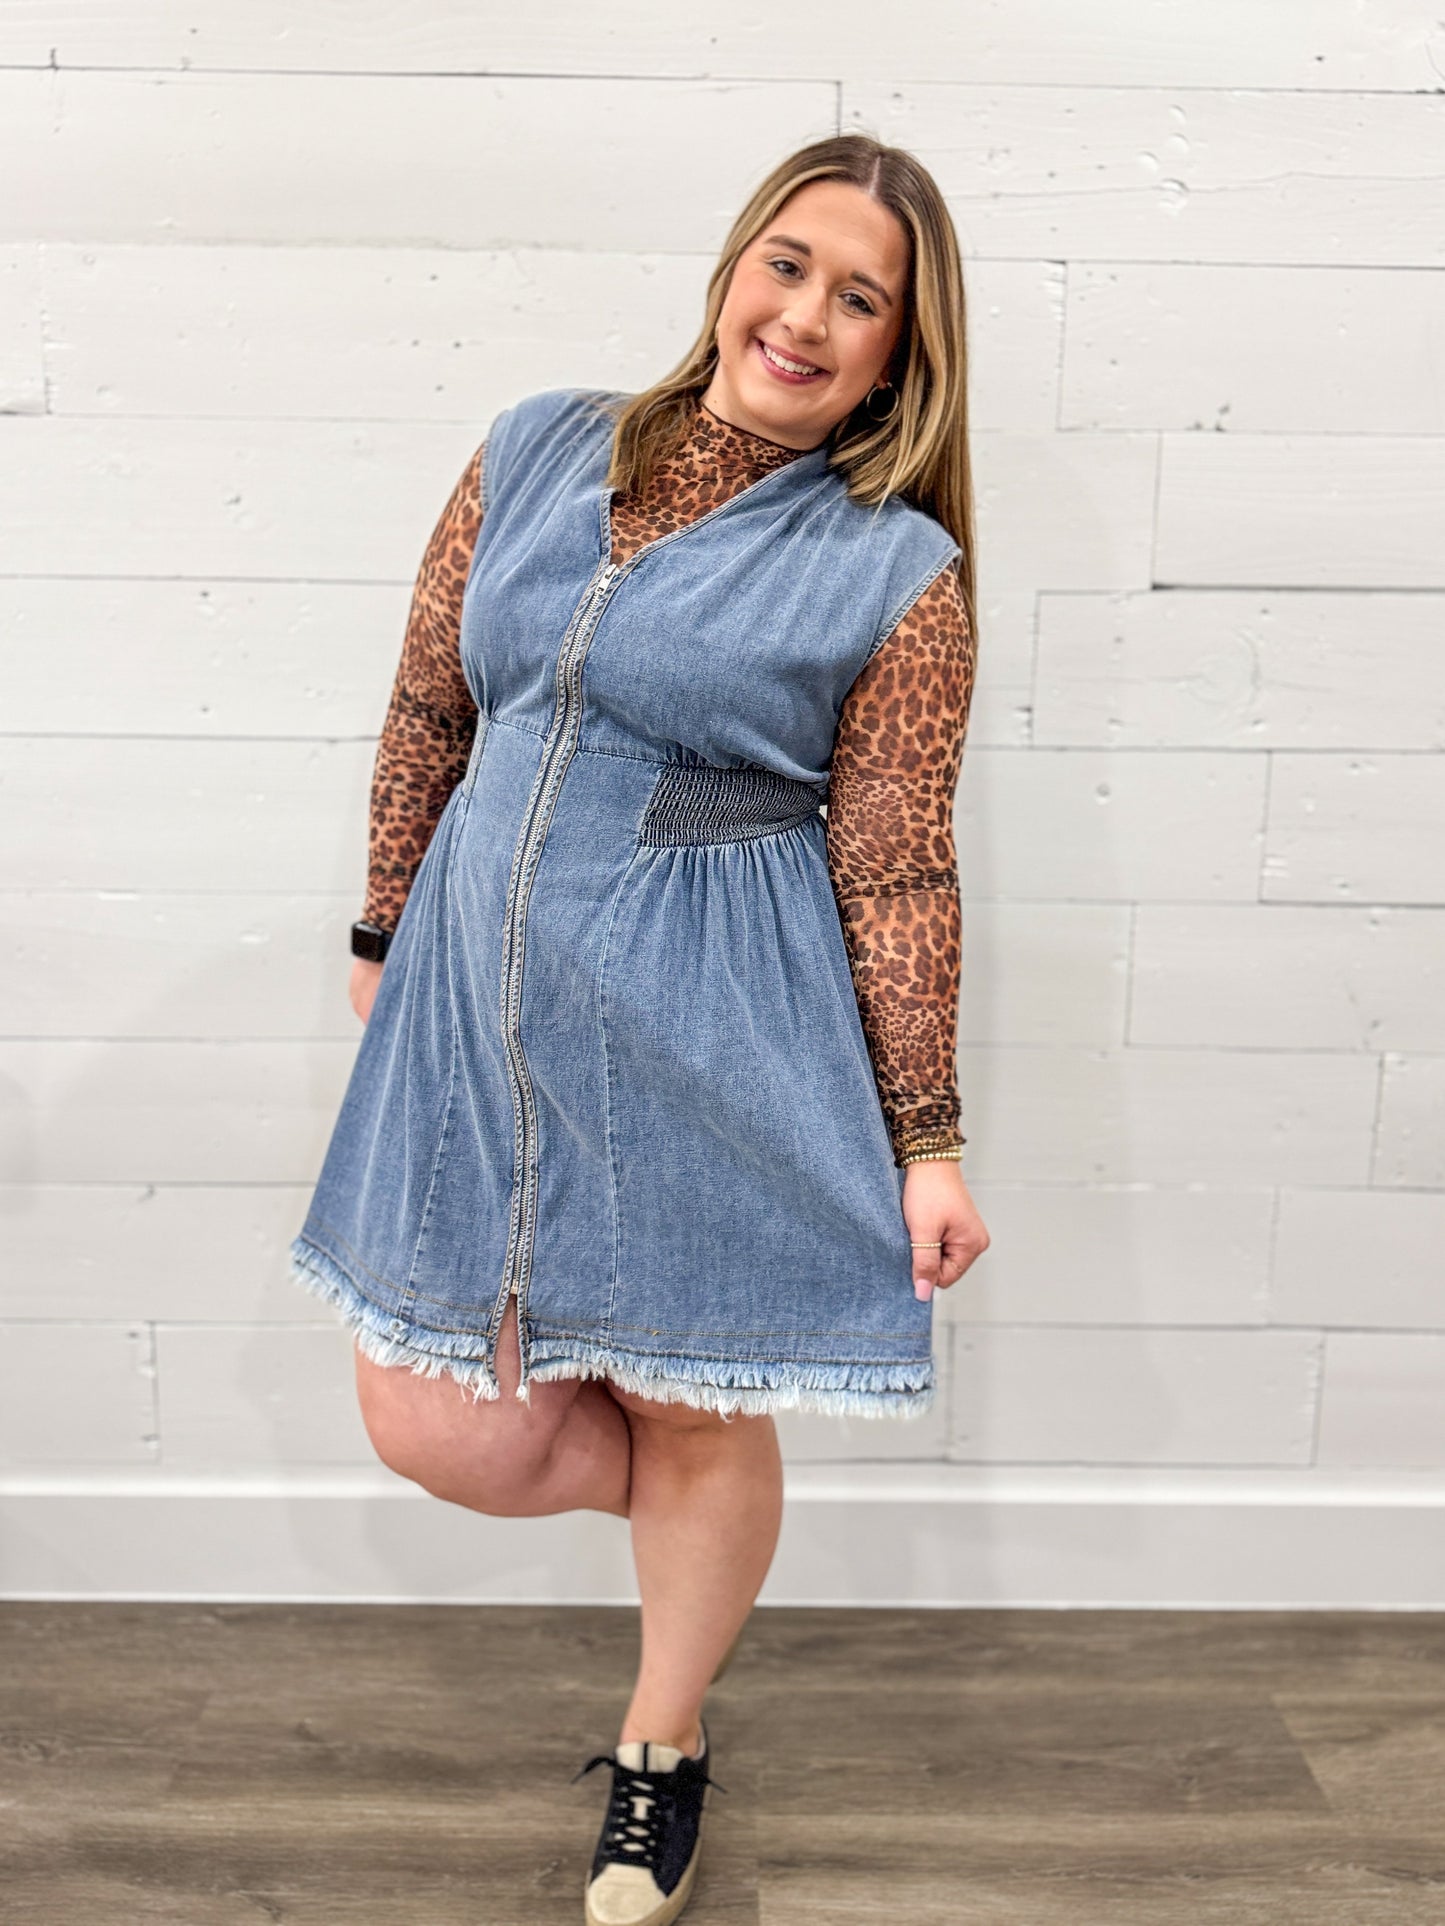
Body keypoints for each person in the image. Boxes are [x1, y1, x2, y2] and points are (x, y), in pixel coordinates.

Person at [289, 130, 990, 1926]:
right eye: (788, 265)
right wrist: (382, 917)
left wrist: (927, 1139)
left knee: (687, 1406)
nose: (805, 317)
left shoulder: (891, 566)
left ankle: (660, 1743)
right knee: (436, 1419)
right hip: (474, 1010)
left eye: (860, 300)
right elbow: (429, 700)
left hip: (710, 1033)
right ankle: (709, 1509)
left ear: (898, 356)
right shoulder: (540, 446)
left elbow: (896, 860)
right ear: (733, 267)